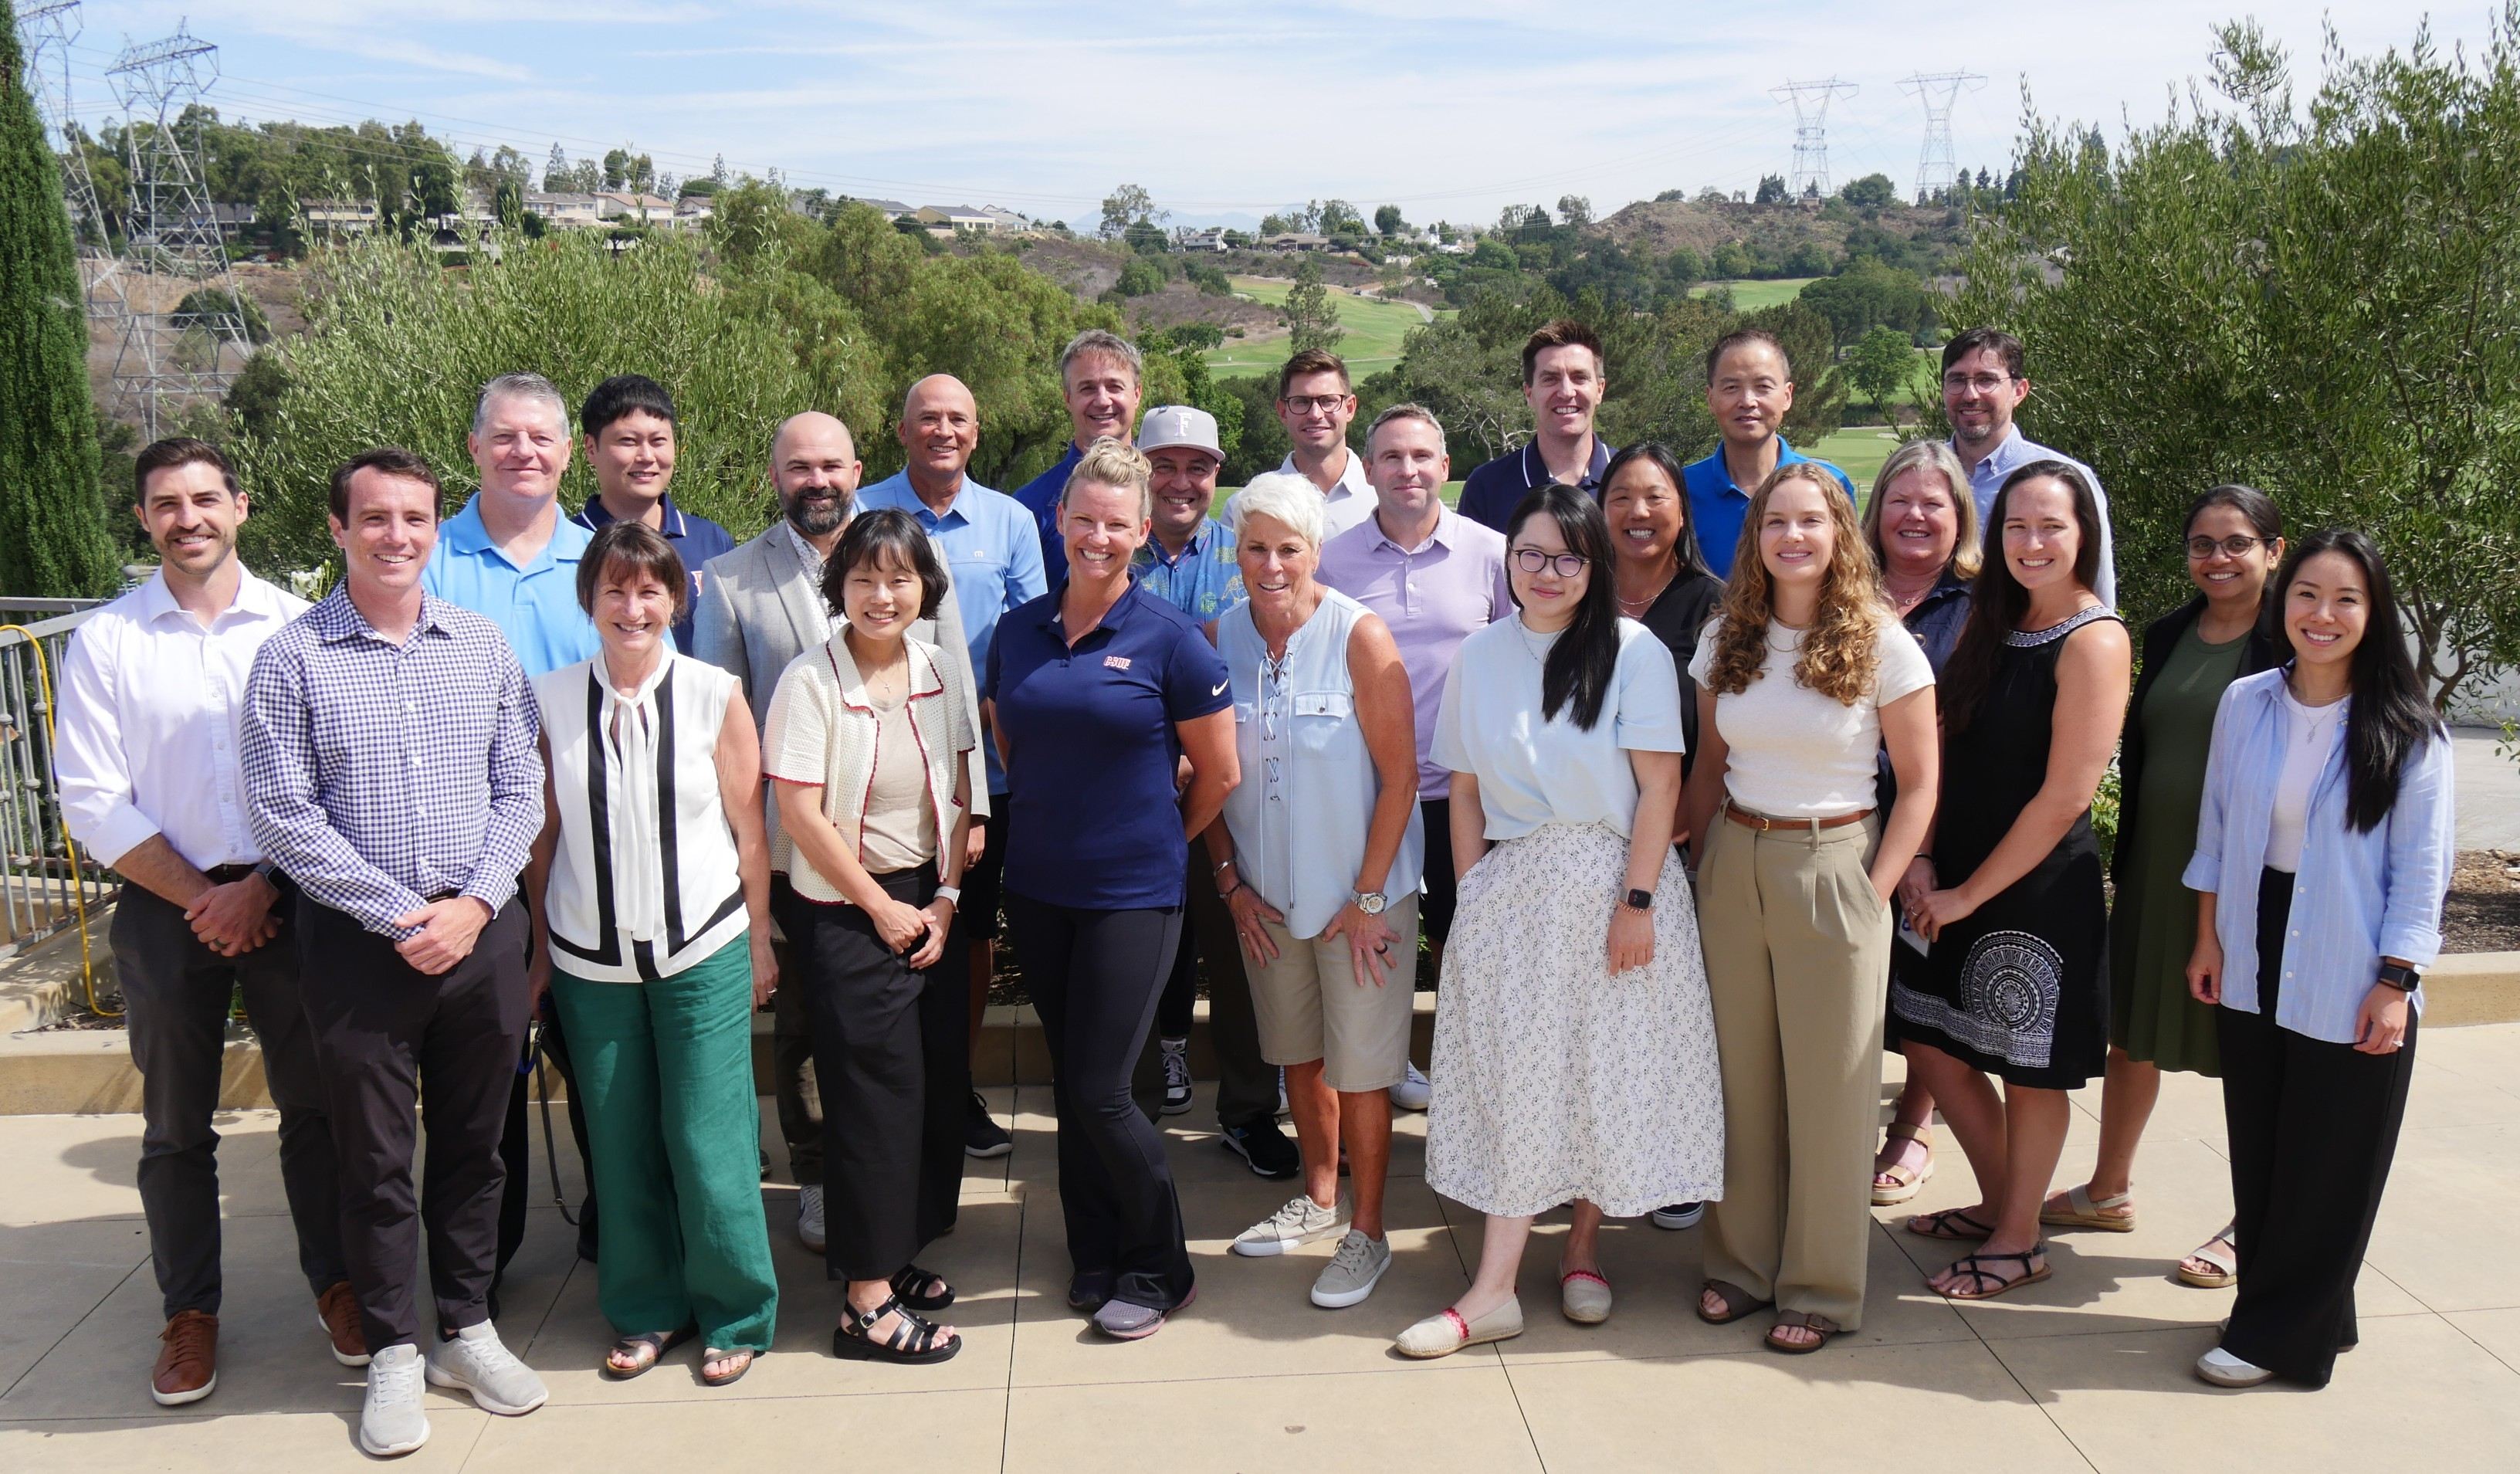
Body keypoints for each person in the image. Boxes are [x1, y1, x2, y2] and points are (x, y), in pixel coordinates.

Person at [242, 448, 548, 1458]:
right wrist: (399, 914)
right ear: (337, 528)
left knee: (474, 1147)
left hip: (478, 936)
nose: (396, 536)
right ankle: (393, 1352)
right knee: (371, 1161)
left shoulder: (482, 645)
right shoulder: (293, 659)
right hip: (360, 947)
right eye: (374, 518)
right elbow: (284, 818)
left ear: (434, 525)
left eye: (414, 518)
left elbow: (521, 791)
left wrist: (471, 906)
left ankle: (466, 1328)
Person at [54, 438, 353, 1407]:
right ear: (144, 519)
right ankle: (190, 1316)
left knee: (317, 1107)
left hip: (290, 894)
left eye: (205, 498)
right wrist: (205, 897)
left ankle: (338, 1284)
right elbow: (93, 800)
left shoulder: (303, 626)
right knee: (176, 1126)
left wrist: (262, 884)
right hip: (163, 909)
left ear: (242, 506)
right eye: (166, 503)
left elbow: (333, 779)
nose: (188, 517)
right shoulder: (107, 641)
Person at [1395, 483, 1722, 1357]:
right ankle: (1496, 1287)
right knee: (1524, 1076)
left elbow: (1660, 786)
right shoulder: (1481, 654)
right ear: (1507, 558)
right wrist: (1473, 900)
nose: (1547, 572)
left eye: (1568, 557)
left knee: (1596, 1070)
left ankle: (1581, 1249)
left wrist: (1639, 903)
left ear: (1595, 564)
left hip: (1615, 883)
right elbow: (1462, 788)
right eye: (1530, 553)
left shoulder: (1635, 650)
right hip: (1515, 891)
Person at [692, 411, 988, 1252]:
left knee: (903, 1046)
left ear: (858, 468)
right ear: (775, 475)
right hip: (800, 846)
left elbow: (956, 691)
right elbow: (722, 725)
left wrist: (973, 820)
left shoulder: (908, 560)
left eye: (831, 464)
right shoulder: (732, 578)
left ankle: (899, 1204)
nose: (816, 480)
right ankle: (822, 1178)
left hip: (920, 841)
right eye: (798, 467)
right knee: (808, 1029)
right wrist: (754, 852)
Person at [2183, 528, 2454, 1390]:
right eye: (2307, 595)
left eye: (2346, 599)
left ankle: (2276, 1340)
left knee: (2331, 1156)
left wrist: (2396, 983)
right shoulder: (2249, 702)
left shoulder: (2411, 731)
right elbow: (2218, 829)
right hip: (2254, 934)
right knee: (2263, 1144)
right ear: (2281, 602)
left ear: (2373, 616)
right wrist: (2209, 935)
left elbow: (2422, 872)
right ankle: (2305, 1309)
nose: (2323, 614)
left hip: (2351, 951)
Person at [984, 439, 1238, 1341]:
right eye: (1083, 519)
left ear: (1140, 531)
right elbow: (1011, 742)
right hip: (1041, 888)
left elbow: (1220, 773)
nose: (1098, 536)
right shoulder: (1016, 632)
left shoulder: (1170, 639)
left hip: (1135, 893)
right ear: (1060, 521)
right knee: (1072, 1081)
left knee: (1101, 1088)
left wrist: (1160, 839)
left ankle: (1162, 1266)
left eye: (1116, 525)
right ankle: (1095, 1253)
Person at [1685, 463, 1939, 1354]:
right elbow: (1708, 768)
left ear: (1839, 535)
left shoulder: (1884, 641)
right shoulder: (1727, 635)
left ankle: (1822, 1287)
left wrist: (1873, 898)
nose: (1793, 537)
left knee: (1833, 1091)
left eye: (1811, 521)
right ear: (1754, 539)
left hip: (1835, 863)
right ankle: (1742, 1267)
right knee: (1742, 1080)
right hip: (1735, 858)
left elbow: (1919, 786)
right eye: (1775, 523)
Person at [522, 523, 779, 1388]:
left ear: (676, 598)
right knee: (620, 1140)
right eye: (615, 591)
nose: (633, 608)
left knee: (708, 1140)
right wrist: (536, 951)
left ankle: (737, 1310)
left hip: (702, 945)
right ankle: (644, 1309)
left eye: (650, 590)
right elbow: (543, 838)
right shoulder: (550, 697)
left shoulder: (715, 693)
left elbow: (751, 831)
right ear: (589, 599)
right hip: (591, 957)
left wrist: (762, 942)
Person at [1892, 461, 2132, 1304]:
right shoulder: (1994, 624)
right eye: (2017, 527)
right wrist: (1924, 860)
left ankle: (2019, 1239)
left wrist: (1965, 894)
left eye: (2051, 527)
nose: (2031, 542)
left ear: (2082, 538)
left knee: (2029, 1072)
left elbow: (2065, 794)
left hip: (2033, 893)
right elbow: (1941, 749)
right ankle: (2005, 1205)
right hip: (1946, 871)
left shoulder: (2095, 639)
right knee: (1930, 1039)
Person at [2042, 486, 2287, 1283]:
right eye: (2203, 543)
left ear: (2274, 552)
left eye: (2237, 542)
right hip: (2159, 868)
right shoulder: (2169, 632)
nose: (2217, 557)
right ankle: (2109, 1189)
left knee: (2253, 1048)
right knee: (2132, 1033)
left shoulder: (2297, 638)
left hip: (2251, 877)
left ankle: (2259, 1220)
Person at [1199, 476, 1423, 1310]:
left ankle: (1368, 1231)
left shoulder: (1360, 636)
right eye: (1255, 546)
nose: (1270, 563)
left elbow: (1400, 779)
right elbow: (1209, 779)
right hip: (1269, 899)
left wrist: (1367, 899)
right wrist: (1229, 882)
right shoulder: (1214, 638)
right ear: (1236, 551)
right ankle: (1322, 1201)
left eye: (1288, 548)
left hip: (1360, 901)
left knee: (1363, 1070)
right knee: (1300, 1053)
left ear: (1315, 551)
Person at [765, 510, 980, 1365]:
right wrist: (881, 909)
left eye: (898, 578)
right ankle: (864, 1302)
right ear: (838, 588)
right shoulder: (809, 681)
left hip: (931, 897)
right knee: (871, 1100)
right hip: (845, 908)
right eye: (862, 579)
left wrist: (949, 898)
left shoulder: (938, 668)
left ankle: (896, 1258)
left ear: (925, 586)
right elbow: (797, 814)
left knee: (928, 1088)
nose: (881, 595)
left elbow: (963, 787)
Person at [425, 372, 602, 1282]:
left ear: (570, 452)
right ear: (474, 447)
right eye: (505, 436)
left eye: (542, 437)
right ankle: (479, 1270)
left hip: (592, 853)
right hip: (472, 863)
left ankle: (617, 1228)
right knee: (480, 1076)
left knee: (601, 1057)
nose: (524, 452)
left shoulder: (603, 561)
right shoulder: (429, 561)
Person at [855, 375, 1047, 1160]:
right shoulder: (864, 508)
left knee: (964, 931)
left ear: (977, 431)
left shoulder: (1010, 520)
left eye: (957, 419)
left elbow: (1032, 631)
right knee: (879, 929)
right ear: (902, 430)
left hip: (979, 773)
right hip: (874, 769)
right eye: (927, 418)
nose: (942, 430)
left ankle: (954, 1083)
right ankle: (888, 1098)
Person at [1317, 405, 1513, 1113]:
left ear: (1445, 464)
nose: (1408, 470)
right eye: (1392, 458)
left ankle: (1476, 1076)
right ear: (1368, 472)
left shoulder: (1493, 552)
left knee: (1469, 938)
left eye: (1422, 456)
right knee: (1381, 934)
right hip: (1370, 793)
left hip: (1469, 791)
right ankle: (1389, 1061)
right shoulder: (1330, 559)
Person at [1127, 405, 1285, 1174]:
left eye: (1199, 466)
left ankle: (1249, 1111)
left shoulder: (1249, 553)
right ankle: (1132, 1121)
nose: (1182, 481)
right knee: (1135, 962)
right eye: (1164, 464)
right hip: (1134, 798)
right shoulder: (1108, 550)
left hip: (1230, 796)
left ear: (1219, 472)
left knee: (1236, 955)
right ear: (1138, 468)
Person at [1595, 440, 1725, 1235]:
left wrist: (1696, 825)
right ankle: (1592, 1158)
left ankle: (1674, 1168)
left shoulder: (1711, 602)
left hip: (1680, 835)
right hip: (1584, 834)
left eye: (1654, 499)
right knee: (1600, 1007)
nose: (1638, 514)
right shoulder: (1574, 589)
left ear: (1682, 510)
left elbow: (1718, 738)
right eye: (1621, 499)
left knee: (1675, 1009)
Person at [1857, 440, 1982, 1209]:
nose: (1916, 515)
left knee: (1922, 982)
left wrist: (1923, 850)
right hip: (1839, 815)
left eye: (1935, 502)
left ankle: (1912, 1124)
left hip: (1939, 826)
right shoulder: (1844, 589)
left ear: (1960, 517)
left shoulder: (1982, 605)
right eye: (1901, 500)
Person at [1939, 327, 2118, 607]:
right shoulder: (1921, 478)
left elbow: (2098, 590)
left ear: (2019, 391)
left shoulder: (2065, 480)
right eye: (1957, 380)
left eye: (1987, 380)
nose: (1970, 394)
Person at [567, 373, 736, 652]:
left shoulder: (712, 542)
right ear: (590, 448)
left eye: (658, 441)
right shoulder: (569, 546)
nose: (647, 456)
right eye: (628, 441)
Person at [1680, 329, 1857, 580]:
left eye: (1762, 386)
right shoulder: (1681, 490)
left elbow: (1850, 578)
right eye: (1731, 387)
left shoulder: (1829, 485)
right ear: (1711, 398)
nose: (1747, 401)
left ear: (1787, 396)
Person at [1456, 320, 1615, 532]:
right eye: (1550, 379)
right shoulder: (1487, 487)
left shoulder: (1630, 480)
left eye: (1579, 378)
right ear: (1529, 393)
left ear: (1600, 389)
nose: (1566, 392)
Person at [1013, 329, 1144, 578]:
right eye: (1088, 389)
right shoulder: (1029, 507)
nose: (1103, 400)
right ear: (1067, 398)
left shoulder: (1166, 494)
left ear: (1137, 394)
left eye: (1115, 387)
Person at [1258, 347, 1377, 540]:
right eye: (1301, 402)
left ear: (1349, 408)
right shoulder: (1250, 505)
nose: (1315, 414)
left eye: (1329, 401)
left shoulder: (1386, 496)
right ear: (1282, 411)